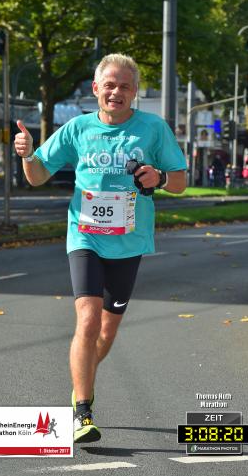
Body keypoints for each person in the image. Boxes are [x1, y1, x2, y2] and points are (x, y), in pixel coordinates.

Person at [14, 53, 187, 444]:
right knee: (88, 321)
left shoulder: (153, 129)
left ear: (135, 93)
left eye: (125, 86)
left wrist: (158, 177)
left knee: (107, 332)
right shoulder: (77, 129)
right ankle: (83, 412)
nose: (116, 92)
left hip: (129, 241)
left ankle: (81, 384)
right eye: (109, 85)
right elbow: (39, 174)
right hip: (85, 236)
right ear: (96, 89)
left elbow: (179, 181)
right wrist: (26, 155)